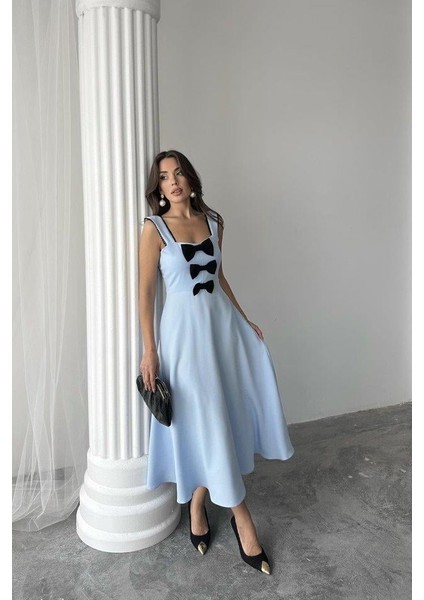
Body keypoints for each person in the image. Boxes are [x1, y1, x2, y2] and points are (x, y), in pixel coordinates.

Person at [138, 149, 294, 575]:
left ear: (190, 178)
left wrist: (244, 320)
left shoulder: (214, 221)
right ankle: (244, 521)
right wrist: (150, 350)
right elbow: (146, 293)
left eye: (179, 173)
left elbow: (220, 278)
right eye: (164, 176)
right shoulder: (153, 229)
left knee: (219, 417)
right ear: (158, 187)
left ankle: (198, 503)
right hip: (183, 340)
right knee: (204, 418)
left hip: (221, 332)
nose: (173, 182)